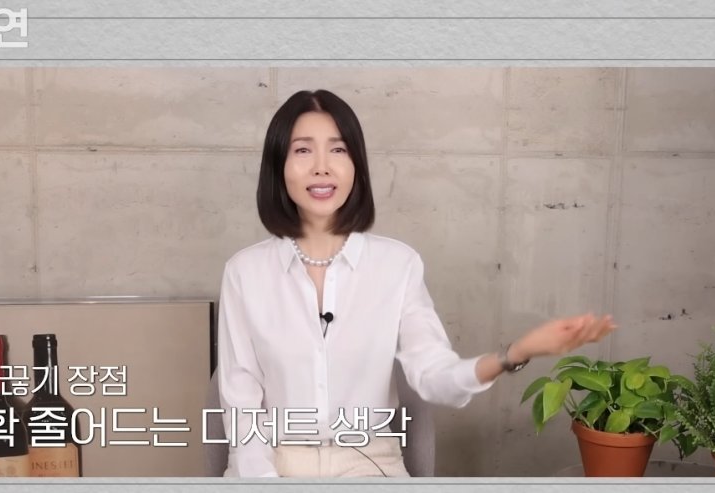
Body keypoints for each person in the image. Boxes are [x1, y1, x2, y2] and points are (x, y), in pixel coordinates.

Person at [217, 89, 616, 478]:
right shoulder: (244, 272)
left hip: (367, 462)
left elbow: (434, 374)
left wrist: (513, 354)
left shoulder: (397, 265)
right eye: (303, 150)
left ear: (356, 165)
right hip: (272, 460)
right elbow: (241, 403)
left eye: (338, 149)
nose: (322, 166)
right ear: (278, 165)